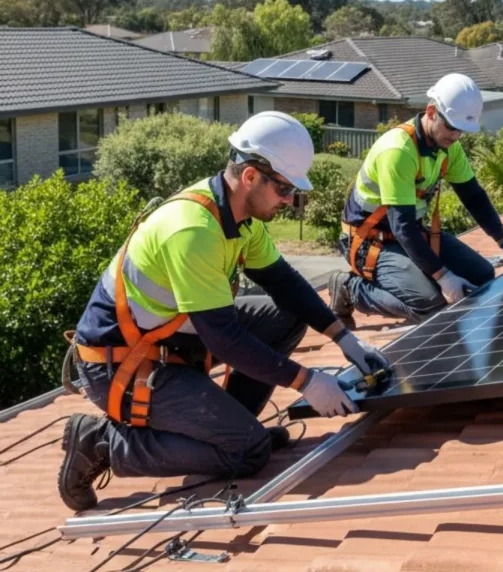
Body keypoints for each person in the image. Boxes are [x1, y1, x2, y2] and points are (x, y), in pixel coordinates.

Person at [58, 111, 391, 512]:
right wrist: (307, 381)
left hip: (169, 340)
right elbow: (223, 339)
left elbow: (283, 282)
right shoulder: (193, 230)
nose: (289, 201)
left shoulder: (239, 216)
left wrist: (343, 337)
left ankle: (233, 427)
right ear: (250, 176)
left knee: (285, 316)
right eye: (284, 189)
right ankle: (100, 442)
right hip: (121, 365)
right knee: (249, 454)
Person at [328, 73, 503, 325]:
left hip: (410, 234)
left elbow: (473, 195)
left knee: (484, 276)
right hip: (371, 242)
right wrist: (443, 276)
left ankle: (419, 277)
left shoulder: (448, 147)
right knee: (431, 305)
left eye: (461, 130)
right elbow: (402, 226)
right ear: (431, 112)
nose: (455, 136)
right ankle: (349, 288)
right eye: (451, 126)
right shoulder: (398, 151)